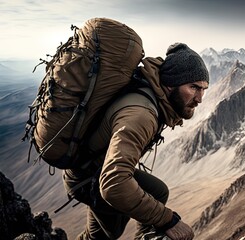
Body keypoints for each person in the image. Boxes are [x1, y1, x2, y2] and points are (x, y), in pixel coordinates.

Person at [63, 42, 209, 240]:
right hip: (87, 176)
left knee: (157, 192)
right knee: (107, 233)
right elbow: (114, 182)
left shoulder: (151, 96)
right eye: (193, 87)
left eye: (203, 89)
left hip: (93, 165)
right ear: (170, 84)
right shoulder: (142, 115)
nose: (199, 99)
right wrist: (168, 221)